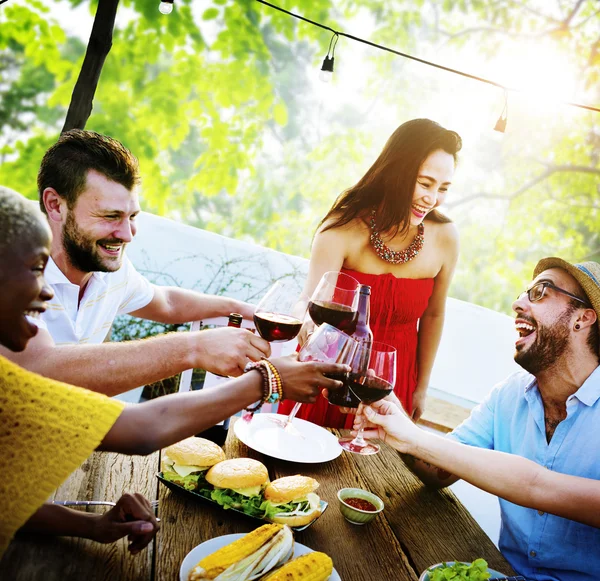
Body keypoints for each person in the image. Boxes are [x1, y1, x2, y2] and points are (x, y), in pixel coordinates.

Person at [0, 186, 348, 558]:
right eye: (38, 268)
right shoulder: (11, 386)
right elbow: (143, 430)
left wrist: (91, 525)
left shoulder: (108, 272)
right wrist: (266, 380)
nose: (48, 291)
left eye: (132, 217)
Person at [355, 257, 600, 580]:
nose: (518, 303)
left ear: (582, 318)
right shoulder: (508, 396)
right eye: (524, 292)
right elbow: (437, 471)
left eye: (540, 292)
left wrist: (415, 438)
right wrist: (399, 426)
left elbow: (538, 486)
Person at [0, 130, 271, 396]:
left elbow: (167, 302)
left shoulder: (108, 269)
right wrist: (194, 348)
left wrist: (240, 309)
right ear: (55, 205)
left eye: (131, 216)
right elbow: (42, 368)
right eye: (110, 216)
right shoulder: (11, 274)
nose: (127, 234)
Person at [278, 118, 462, 427]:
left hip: (391, 380)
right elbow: (307, 302)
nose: (432, 199)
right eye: (425, 183)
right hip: (331, 373)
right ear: (397, 171)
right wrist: (310, 330)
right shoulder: (342, 228)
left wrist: (421, 387)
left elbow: (433, 316)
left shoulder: (445, 237)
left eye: (443, 188)